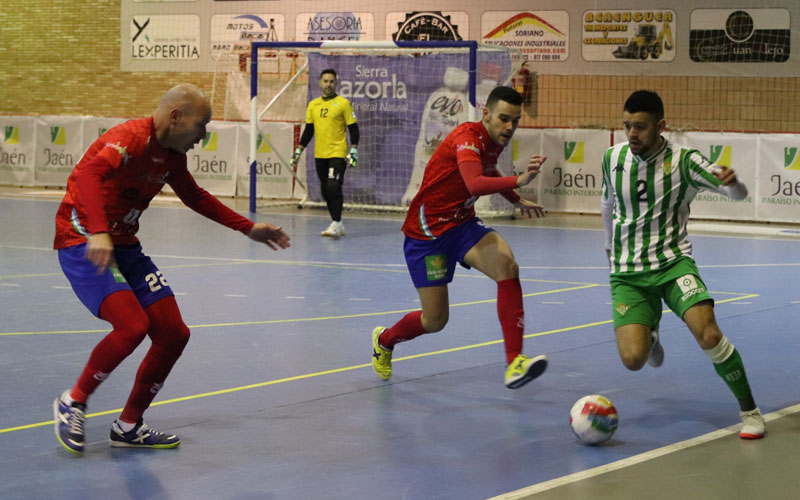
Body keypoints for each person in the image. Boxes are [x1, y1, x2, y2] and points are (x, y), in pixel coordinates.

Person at [52, 84, 291, 454]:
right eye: (202, 125)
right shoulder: (128, 140)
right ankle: (74, 401)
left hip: (125, 246)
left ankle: (129, 425)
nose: (203, 136)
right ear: (175, 117)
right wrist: (99, 232)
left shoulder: (171, 157)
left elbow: (195, 197)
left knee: (174, 334)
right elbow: (86, 177)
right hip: (83, 239)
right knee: (132, 326)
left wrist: (248, 227)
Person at [600, 89, 765, 439]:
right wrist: (607, 247)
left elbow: (738, 195)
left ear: (661, 126)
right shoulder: (612, 158)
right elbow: (607, 203)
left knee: (709, 333)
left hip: (673, 264)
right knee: (633, 360)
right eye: (627, 125)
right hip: (628, 273)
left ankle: (750, 411)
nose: (632, 133)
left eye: (641, 127)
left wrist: (734, 185)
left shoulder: (685, 161)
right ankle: (651, 332)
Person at [371, 86, 548, 389]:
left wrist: (515, 198)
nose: (510, 127)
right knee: (435, 321)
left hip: (462, 224)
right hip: (428, 234)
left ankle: (515, 361)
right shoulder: (467, 138)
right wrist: (519, 179)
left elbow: (489, 170)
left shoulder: (495, 139)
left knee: (507, 265)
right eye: (504, 118)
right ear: (486, 114)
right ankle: (384, 340)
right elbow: (475, 183)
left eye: (515, 121)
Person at [289, 68, 359, 239]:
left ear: (336, 83)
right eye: (325, 81)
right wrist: (299, 150)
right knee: (326, 190)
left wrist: (354, 149)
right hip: (320, 155)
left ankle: (335, 223)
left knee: (334, 186)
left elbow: (353, 128)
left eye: (331, 81)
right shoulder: (313, 105)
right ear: (320, 83)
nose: (328, 84)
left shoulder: (343, 103)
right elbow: (309, 131)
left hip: (338, 152)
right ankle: (338, 223)